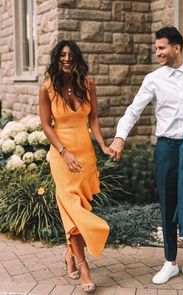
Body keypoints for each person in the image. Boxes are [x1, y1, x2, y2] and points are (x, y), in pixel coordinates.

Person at [109, 26, 183, 286]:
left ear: (176, 48)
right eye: (156, 48)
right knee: (168, 203)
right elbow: (134, 110)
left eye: (161, 48)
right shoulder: (153, 79)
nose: (157, 52)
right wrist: (120, 136)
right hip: (166, 148)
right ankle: (170, 262)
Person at [39, 40, 110, 294]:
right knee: (73, 209)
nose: (66, 59)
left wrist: (102, 145)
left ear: (76, 57)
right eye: (62, 55)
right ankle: (84, 266)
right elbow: (47, 126)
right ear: (56, 59)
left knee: (77, 210)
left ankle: (70, 254)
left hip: (85, 156)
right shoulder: (47, 88)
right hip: (62, 156)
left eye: (70, 55)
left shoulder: (87, 84)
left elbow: (93, 120)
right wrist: (63, 151)